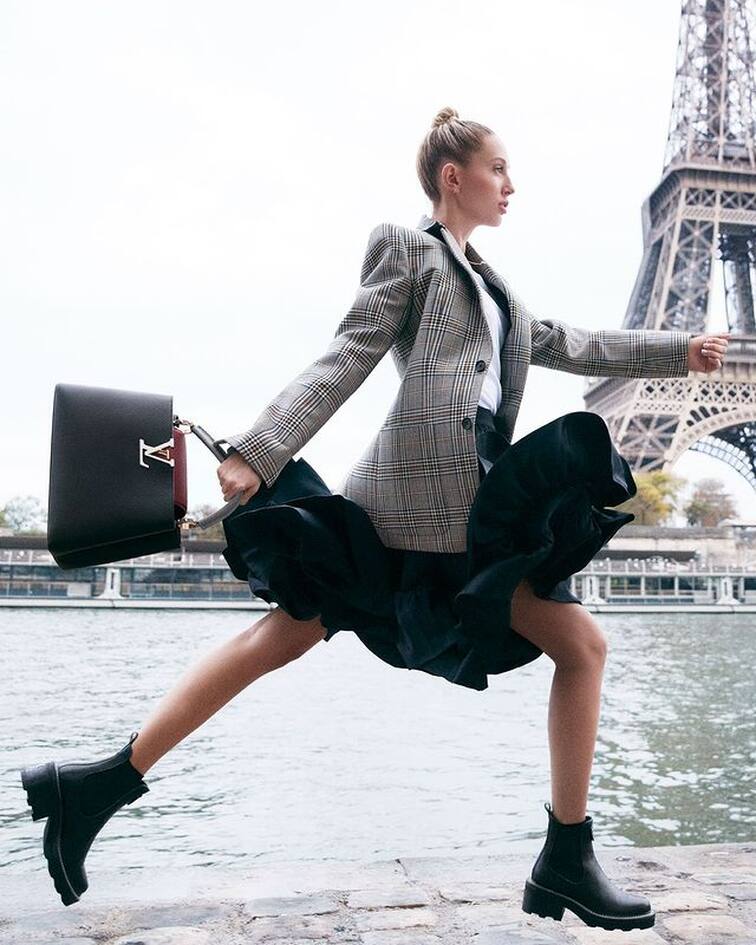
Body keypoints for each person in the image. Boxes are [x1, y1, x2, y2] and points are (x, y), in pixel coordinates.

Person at [20, 107, 730, 929]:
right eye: (499, 168)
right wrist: (262, 448)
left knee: (284, 637)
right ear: (453, 177)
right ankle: (565, 858)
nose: (511, 184)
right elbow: (349, 350)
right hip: (414, 507)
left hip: (467, 501)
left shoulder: (499, 290)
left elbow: (576, 343)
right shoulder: (408, 249)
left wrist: (677, 350)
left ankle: (97, 785)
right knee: (580, 643)